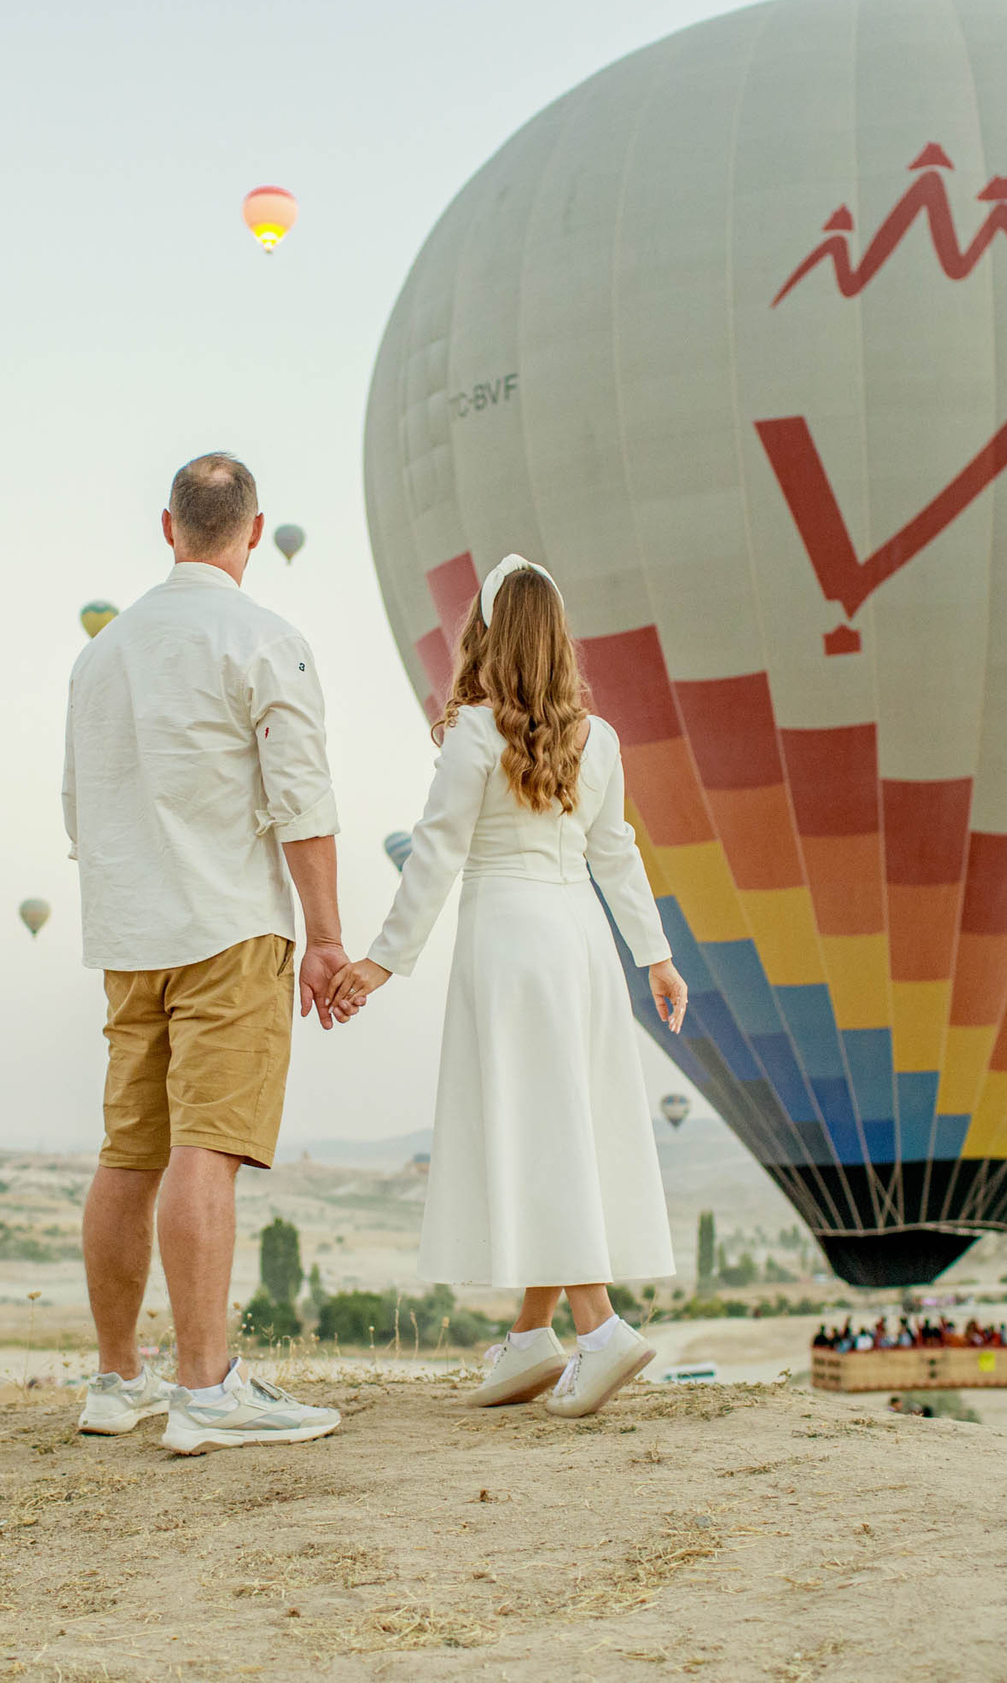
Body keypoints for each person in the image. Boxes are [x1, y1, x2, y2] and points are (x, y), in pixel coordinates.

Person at [329, 553, 687, 1420]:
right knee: (559, 1124)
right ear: (560, 638)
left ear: (483, 637)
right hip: (582, 945)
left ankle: (599, 1328)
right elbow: (617, 852)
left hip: (506, 943)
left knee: (538, 1132)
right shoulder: (597, 740)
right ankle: (532, 1337)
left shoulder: (471, 735)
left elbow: (438, 850)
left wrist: (381, 958)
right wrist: (655, 955)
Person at [63, 452, 348, 1455]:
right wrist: (326, 939)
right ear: (256, 532)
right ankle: (206, 1389)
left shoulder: (102, 654)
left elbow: (76, 806)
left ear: (167, 527)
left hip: (128, 928)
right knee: (207, 1148)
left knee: (127, 1151)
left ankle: (115, 1381)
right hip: (227, 922)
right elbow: (302, 804)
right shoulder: (265, 639)